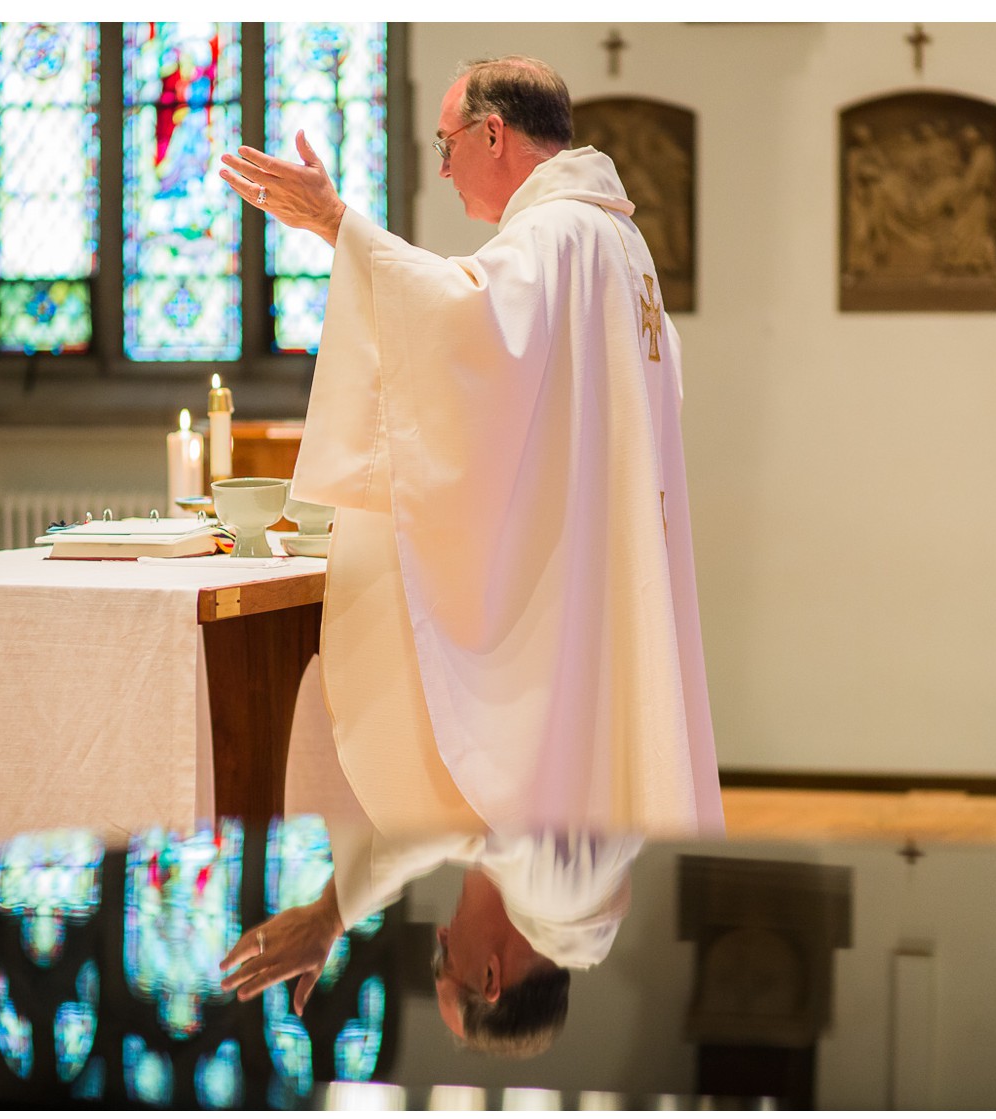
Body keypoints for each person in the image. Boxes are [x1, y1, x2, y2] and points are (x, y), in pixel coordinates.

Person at [218, 56, 722, 840]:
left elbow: (465, 329)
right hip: (607, 556)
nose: (446, 168)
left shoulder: (558, 234)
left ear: (495, 133)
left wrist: (335, 223)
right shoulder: (619, 242)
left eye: (447, 144)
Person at [220, 825, 642, 1058]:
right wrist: (329, 916)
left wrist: (334, 913)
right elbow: (456, 816)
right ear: (490, 975)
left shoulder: (573, 905)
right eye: (445, 962)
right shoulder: (561, 894)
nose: (442, 935)